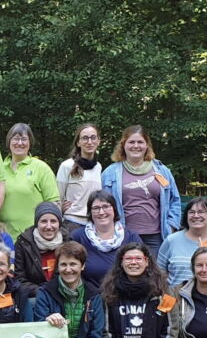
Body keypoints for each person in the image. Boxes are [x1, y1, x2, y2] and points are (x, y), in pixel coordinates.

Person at [100, 125, 181, 258]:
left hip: (156, 237)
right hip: (123, 236)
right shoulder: (110, 173)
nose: (135, 146)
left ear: (147, 145)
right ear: (123, 145)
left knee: (154, 275)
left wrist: (171, 226)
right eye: (131, 142)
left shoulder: (162, 171)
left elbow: (174, 200)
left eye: (140, 142)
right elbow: (102, 204)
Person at [157, 197, 207, 291]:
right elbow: (158, 275)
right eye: (191, 212)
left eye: (201, 212)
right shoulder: (171, 241)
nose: (196, 216)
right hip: (176, 301)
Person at [0, 123, 58, 237]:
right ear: (9, 141)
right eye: (15, 139)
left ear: (30, 143)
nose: (19, 143)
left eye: (24, 139)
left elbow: (53, 204)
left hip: (33, 238)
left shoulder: (41, 168)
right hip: (2, 237)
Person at [70, 190, 132, 290]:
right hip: (89, 297)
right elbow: (70, 271)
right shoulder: (78, 237)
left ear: (114, 209)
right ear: (90, 212)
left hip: (124, 296)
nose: (101, 212)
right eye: (96, 208)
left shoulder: (130, 237)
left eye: (106, 207)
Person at [56, 123, 104, 231]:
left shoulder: (98, 167)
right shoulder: (67, 166)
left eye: (93, 138)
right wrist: (60, 209)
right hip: (72, 223)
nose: (89, 142)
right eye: (85, 138)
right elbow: (58, 197)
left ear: (98, 141)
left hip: (94, 223)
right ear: (78, 142)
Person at [13, 202, 65, 292]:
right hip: (33, 297)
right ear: (36, 224)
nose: (49, 226)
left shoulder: (68, 242)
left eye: (53, 221)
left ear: (59, 224)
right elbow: (18, 279)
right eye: (44, 221)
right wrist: (42, 292)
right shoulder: (23, 243)